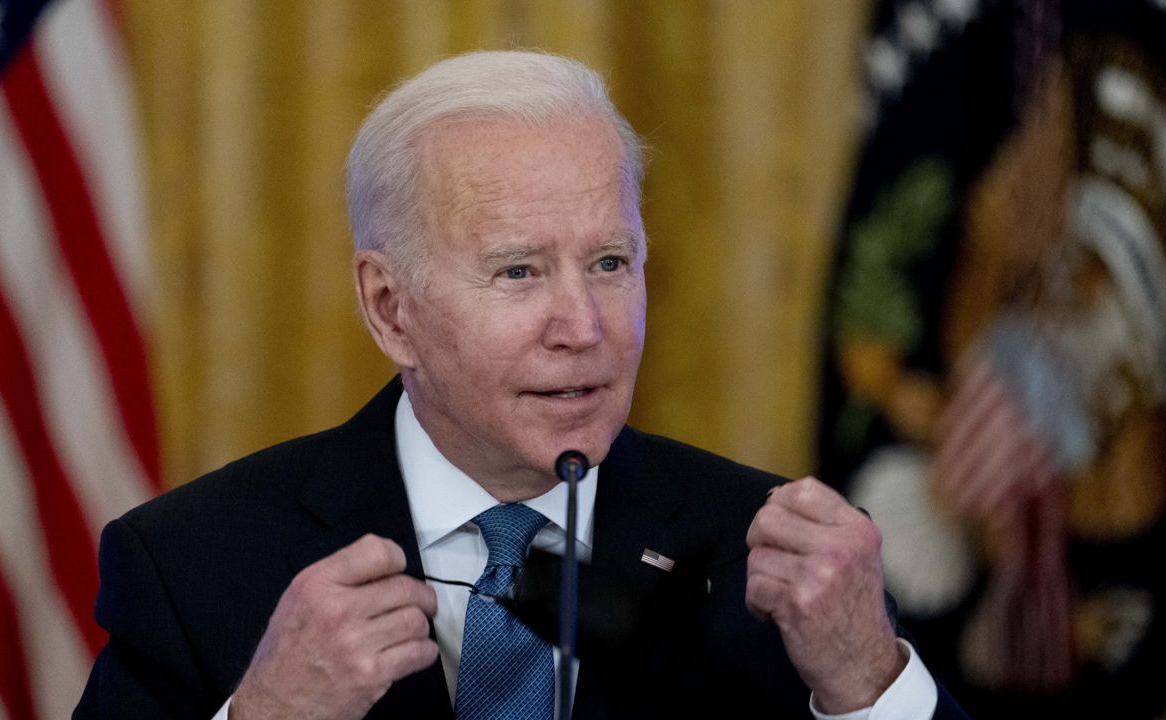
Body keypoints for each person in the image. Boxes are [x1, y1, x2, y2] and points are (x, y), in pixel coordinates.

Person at [74, 51, 968, 720]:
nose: (583, 327)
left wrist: (866, 681)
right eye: (518, 273)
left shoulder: (775, 565)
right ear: (390, 309)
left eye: (611, 262)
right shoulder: (194, 567)